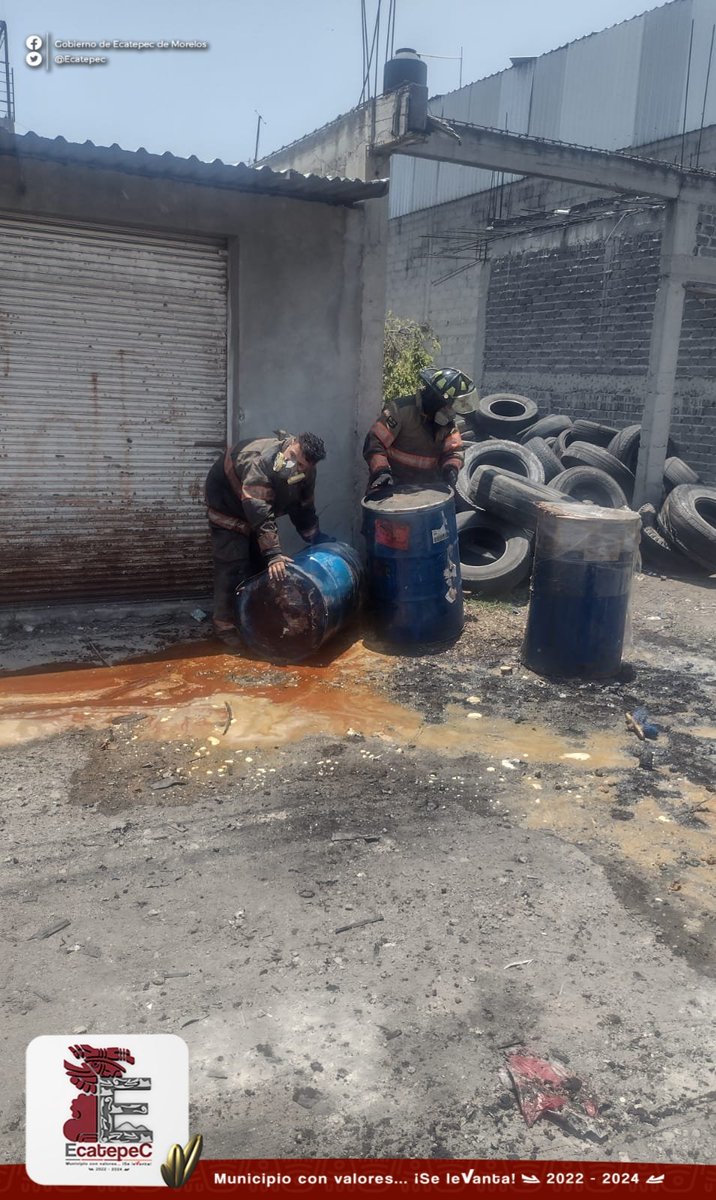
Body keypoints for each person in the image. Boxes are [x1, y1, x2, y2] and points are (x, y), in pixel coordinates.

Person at [204, 431, 330, 641]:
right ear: (292, 443)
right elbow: (259, 510)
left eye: (301, 467)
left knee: (260, 566)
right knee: (233, 562)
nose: (293, 467)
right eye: (292, 457)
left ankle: (252, 617)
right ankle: (224, 626)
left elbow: (304, 505)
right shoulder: (260, 461)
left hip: (254, 508)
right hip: (227, 502)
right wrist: (273, 553)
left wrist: (314, 536)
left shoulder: (307, 473)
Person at [363, 367, 477, 495]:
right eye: (450, 406)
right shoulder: (400, 411)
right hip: (389, 489)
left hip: (425, 494)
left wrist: (451, 468)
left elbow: (454, 451)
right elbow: (374, 441)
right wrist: (381, 472)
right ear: (436, 400)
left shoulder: (447, 424)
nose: (452, 413)